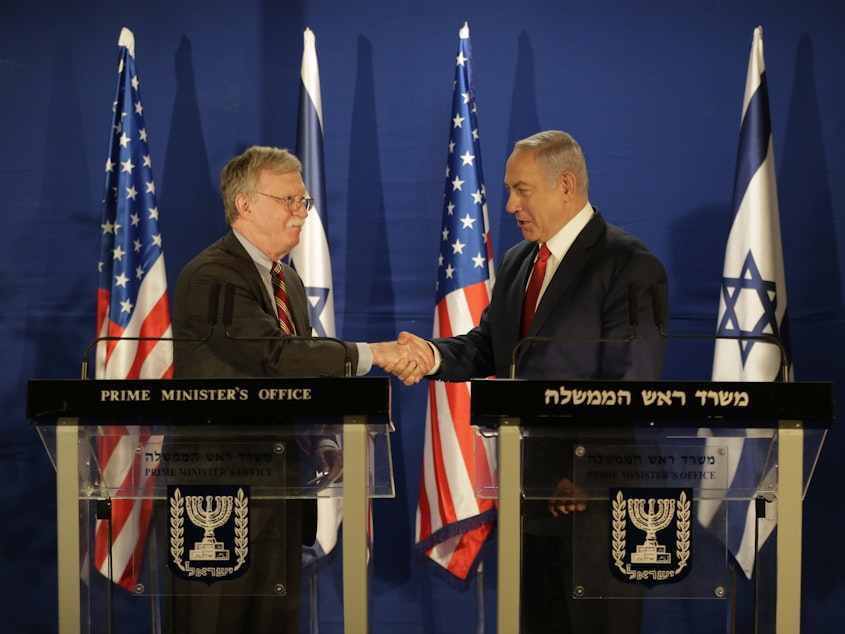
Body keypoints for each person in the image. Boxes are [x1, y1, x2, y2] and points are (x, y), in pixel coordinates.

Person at [397, 130, 669, 633]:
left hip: (595, 503)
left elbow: (630, 381)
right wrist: (431, 355)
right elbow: (488, 346)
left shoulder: (628, 265)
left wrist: (583, 474)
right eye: (508, 190)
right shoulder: (520, 261)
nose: (508, 204)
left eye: (521, 190)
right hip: (529, 491)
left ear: (565, 184)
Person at [167, 145, 427, 633]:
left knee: (275, 622)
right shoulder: (212, 275)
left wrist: (325, 439)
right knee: (214, 622)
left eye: (303, 202)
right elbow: (273, 356)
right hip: (218, 491)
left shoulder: (287, 280)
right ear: (245, 204)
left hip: (279, 486)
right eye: (288, 199)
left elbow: (300, 383)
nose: (299, 212)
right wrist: (375, 354)